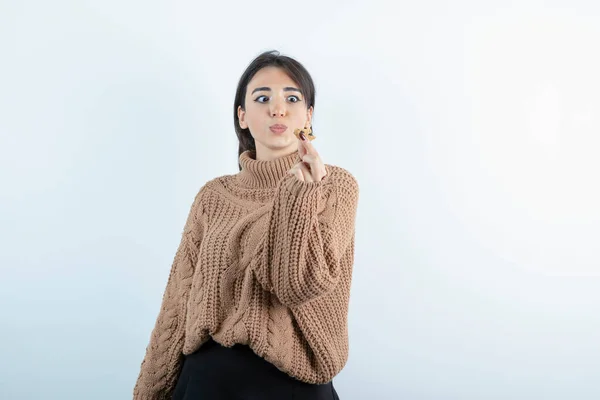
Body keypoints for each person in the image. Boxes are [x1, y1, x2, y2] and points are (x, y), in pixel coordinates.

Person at [133, 50, 360, 400]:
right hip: (205, 383)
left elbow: (295, 285)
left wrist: (299, 193)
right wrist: (149, 394)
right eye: (263, 97)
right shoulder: (213, 196)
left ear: (308, 116)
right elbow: (177, 307)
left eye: (292, 98)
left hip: (290, 388)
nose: (277, 108)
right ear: (242, 116)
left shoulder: (334, 187)